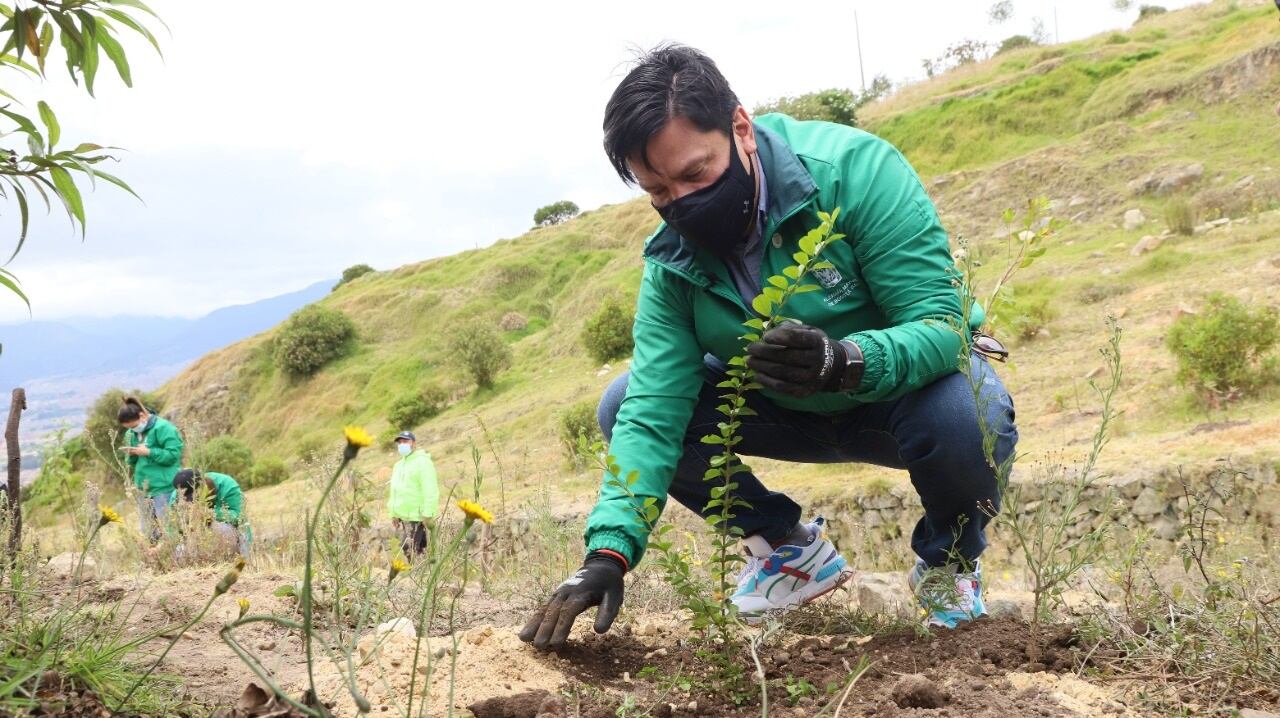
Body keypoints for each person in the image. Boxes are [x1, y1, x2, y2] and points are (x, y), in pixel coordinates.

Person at [519, 45, 1018, 650]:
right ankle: (788, 551)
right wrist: (608, 553)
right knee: (621, 403)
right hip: (776, 411)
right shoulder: (673, 261)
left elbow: (939, 323)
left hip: (900, 398)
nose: (681, 202)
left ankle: (948, 568)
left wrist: (848, 361)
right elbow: (653, 409)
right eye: (657, 190)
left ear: (740, 128)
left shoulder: (855, 171)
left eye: (695, 174)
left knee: (974, 410)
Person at [118, 396, 184, 542]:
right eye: (128, 428)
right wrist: (131, 454)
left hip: (164, 487)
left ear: (142, 416)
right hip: (144, 488)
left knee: (169, 527)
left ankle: (177, 559)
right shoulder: (131, 433)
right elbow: (133, 462)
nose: (131, 430)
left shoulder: (164, 428)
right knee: (147, 530)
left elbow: (173, 455)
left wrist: (150, 452)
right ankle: (157, 559)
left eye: (133, 426)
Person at [173, 468, 250, 559]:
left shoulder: (227, 485)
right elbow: (171, 527)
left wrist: (209, 513)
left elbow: (239, 517)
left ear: (203, 485)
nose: (192, 501)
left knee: (224, 529)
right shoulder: (177, 495)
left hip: (229, 532)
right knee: (179, 550)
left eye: (195, 495)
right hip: (198, 536)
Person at [387, 431, 439, 561]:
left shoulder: (423, 462)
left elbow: (430, 488)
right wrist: (393, 513)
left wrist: (428, 513)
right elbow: (395, 490)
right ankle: (423, 574)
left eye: (406, 441)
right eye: (400, 442)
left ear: (414, 443)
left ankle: (415, 575)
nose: (402, 445)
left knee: (408, 547)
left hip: (418, 516)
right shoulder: (398, 466)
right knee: (419, 549)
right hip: (404, 516)